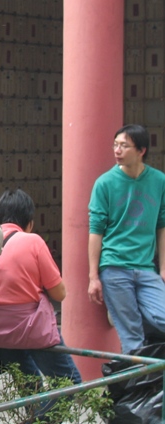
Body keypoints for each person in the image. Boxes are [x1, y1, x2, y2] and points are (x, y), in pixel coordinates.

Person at [0, 189, 81, 421]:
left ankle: (34, 416)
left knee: (31, 389)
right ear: (29, 223)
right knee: (71, 383)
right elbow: (60, 293)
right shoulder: (33, 241)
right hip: (31, 329)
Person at [88, 124, 165, 354]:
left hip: (145, 268)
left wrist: (163, 266)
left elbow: (162, 225)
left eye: (124, 145)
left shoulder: (159, 181)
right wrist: (93, 277)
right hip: (114, 268)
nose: (117, 150)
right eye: (115, 145)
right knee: (132, 339)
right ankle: (138, 388)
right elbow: (96, 231)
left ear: (141, 150)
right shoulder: (104, 183)